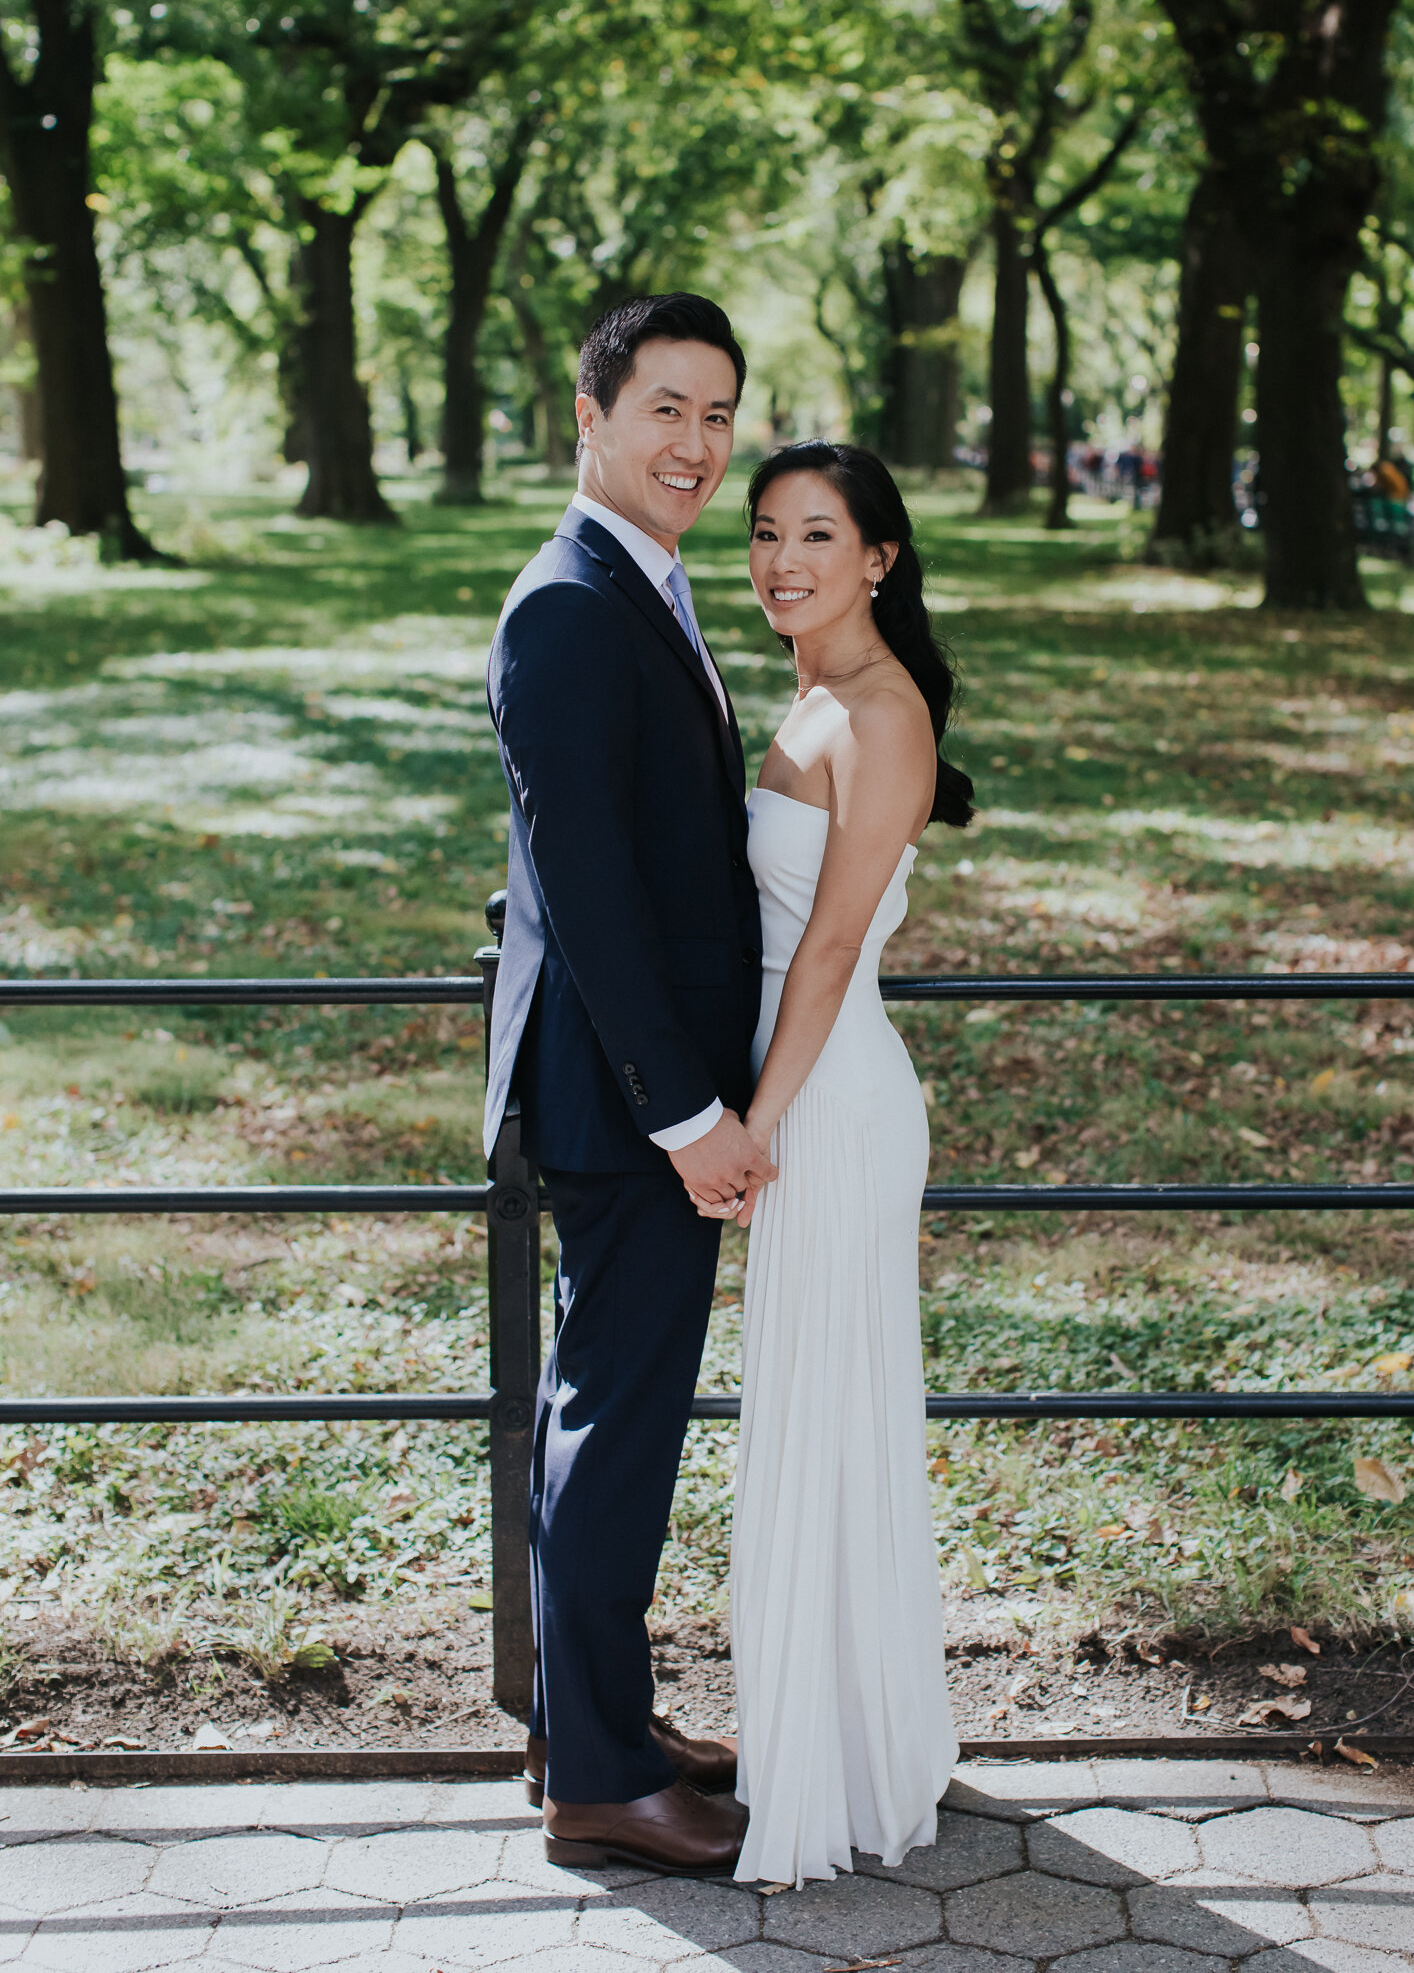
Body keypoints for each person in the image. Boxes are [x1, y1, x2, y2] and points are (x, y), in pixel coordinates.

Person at [483, 293, 775, 1877]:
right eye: (667, 408)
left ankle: (591, 1724)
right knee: (613, 1429)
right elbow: (588, 884)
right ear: (589, 417)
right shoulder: (570, 606)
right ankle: (598, 1780)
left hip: (644, 1094)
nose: (698, 444)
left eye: (719, 415)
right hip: (629, 1107)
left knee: (608, 1422)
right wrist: (688, 1114)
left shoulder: (636, 582)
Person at [726, 439, 972, 1888]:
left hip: (828, 1098)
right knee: (804, 1420)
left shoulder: (881, 716)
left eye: (818, 534)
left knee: (831, 1422)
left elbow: (827, 947)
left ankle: (846, 1767)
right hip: (794, 1086)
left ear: (879, 556)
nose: (783, 561)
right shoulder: (812, 694)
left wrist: (756, 1119)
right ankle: (820, 1734)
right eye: (765, 533)